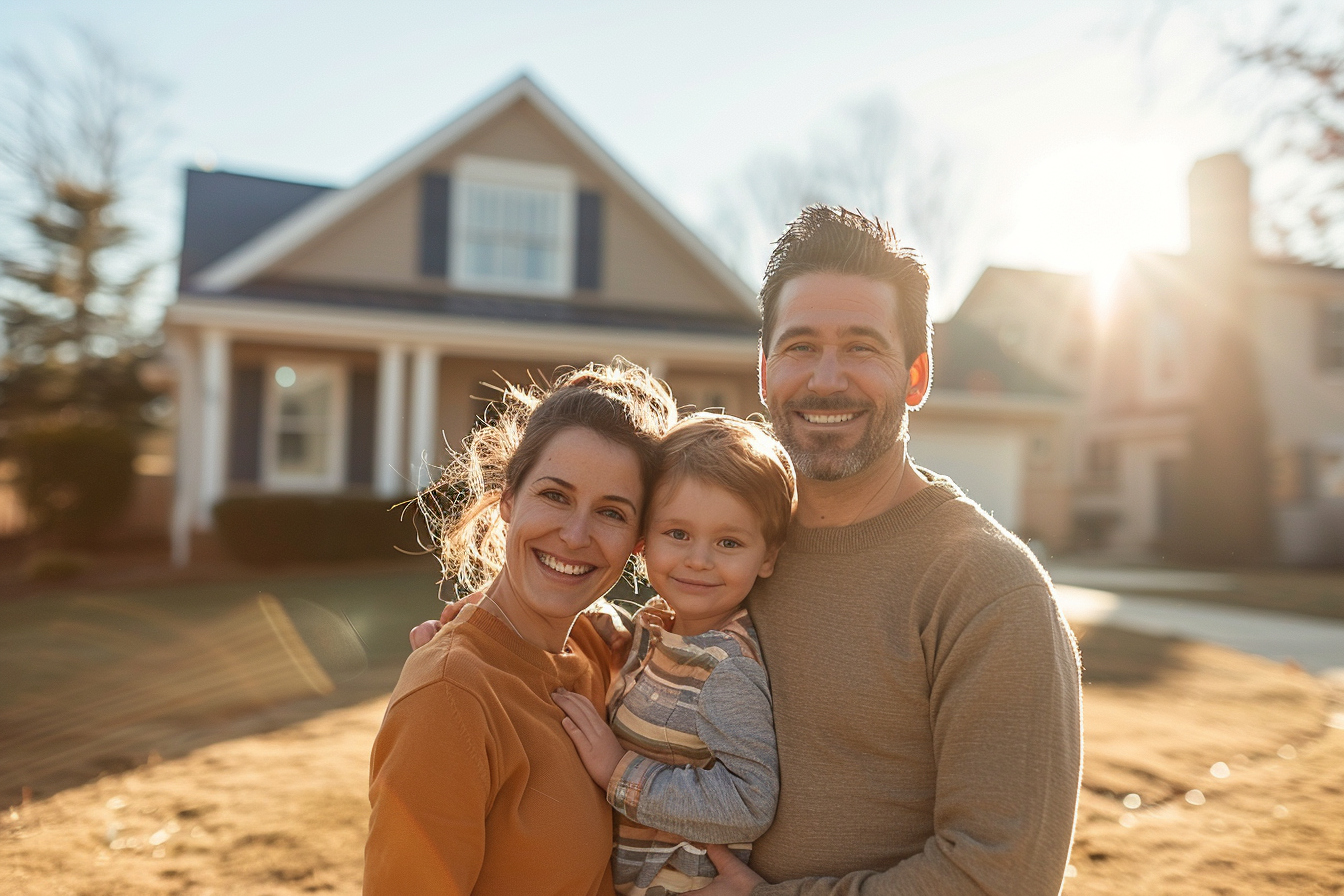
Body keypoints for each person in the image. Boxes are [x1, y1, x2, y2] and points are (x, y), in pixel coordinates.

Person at [695, 206, 1084, 895]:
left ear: (916, 376)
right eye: (800, 346)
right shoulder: (728, 551)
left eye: (862, 347)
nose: (826, 380)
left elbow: (1000, 875)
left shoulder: (988, 589)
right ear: (764, 372)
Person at [364, 361, 677, 896]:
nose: (574, 535)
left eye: (611, 513)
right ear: (509, 497)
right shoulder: (449, 697)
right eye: (555, 495)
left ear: (639, 543)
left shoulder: (600, 651)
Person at [553, 412, 794, 894]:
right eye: (678, 534)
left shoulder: (725, 670)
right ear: (644, 540)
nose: (698, 560)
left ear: (767, 556)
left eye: (728, 542)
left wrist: (619, 771)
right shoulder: (660, 626)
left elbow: (750, 803)